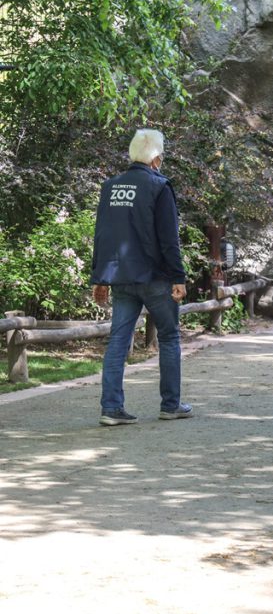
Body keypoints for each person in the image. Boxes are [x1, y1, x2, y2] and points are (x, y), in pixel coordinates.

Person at [89, 129, 192, 426]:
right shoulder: (159, 187)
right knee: (170, 336)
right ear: (157, 158)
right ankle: (170, 404)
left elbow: (103, 234)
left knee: (118, 340)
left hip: (121, 277)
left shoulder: (111, 186)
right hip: (156, 277)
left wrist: (99, 276)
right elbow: (169, 238)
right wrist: (178, 276)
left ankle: (111, 408)